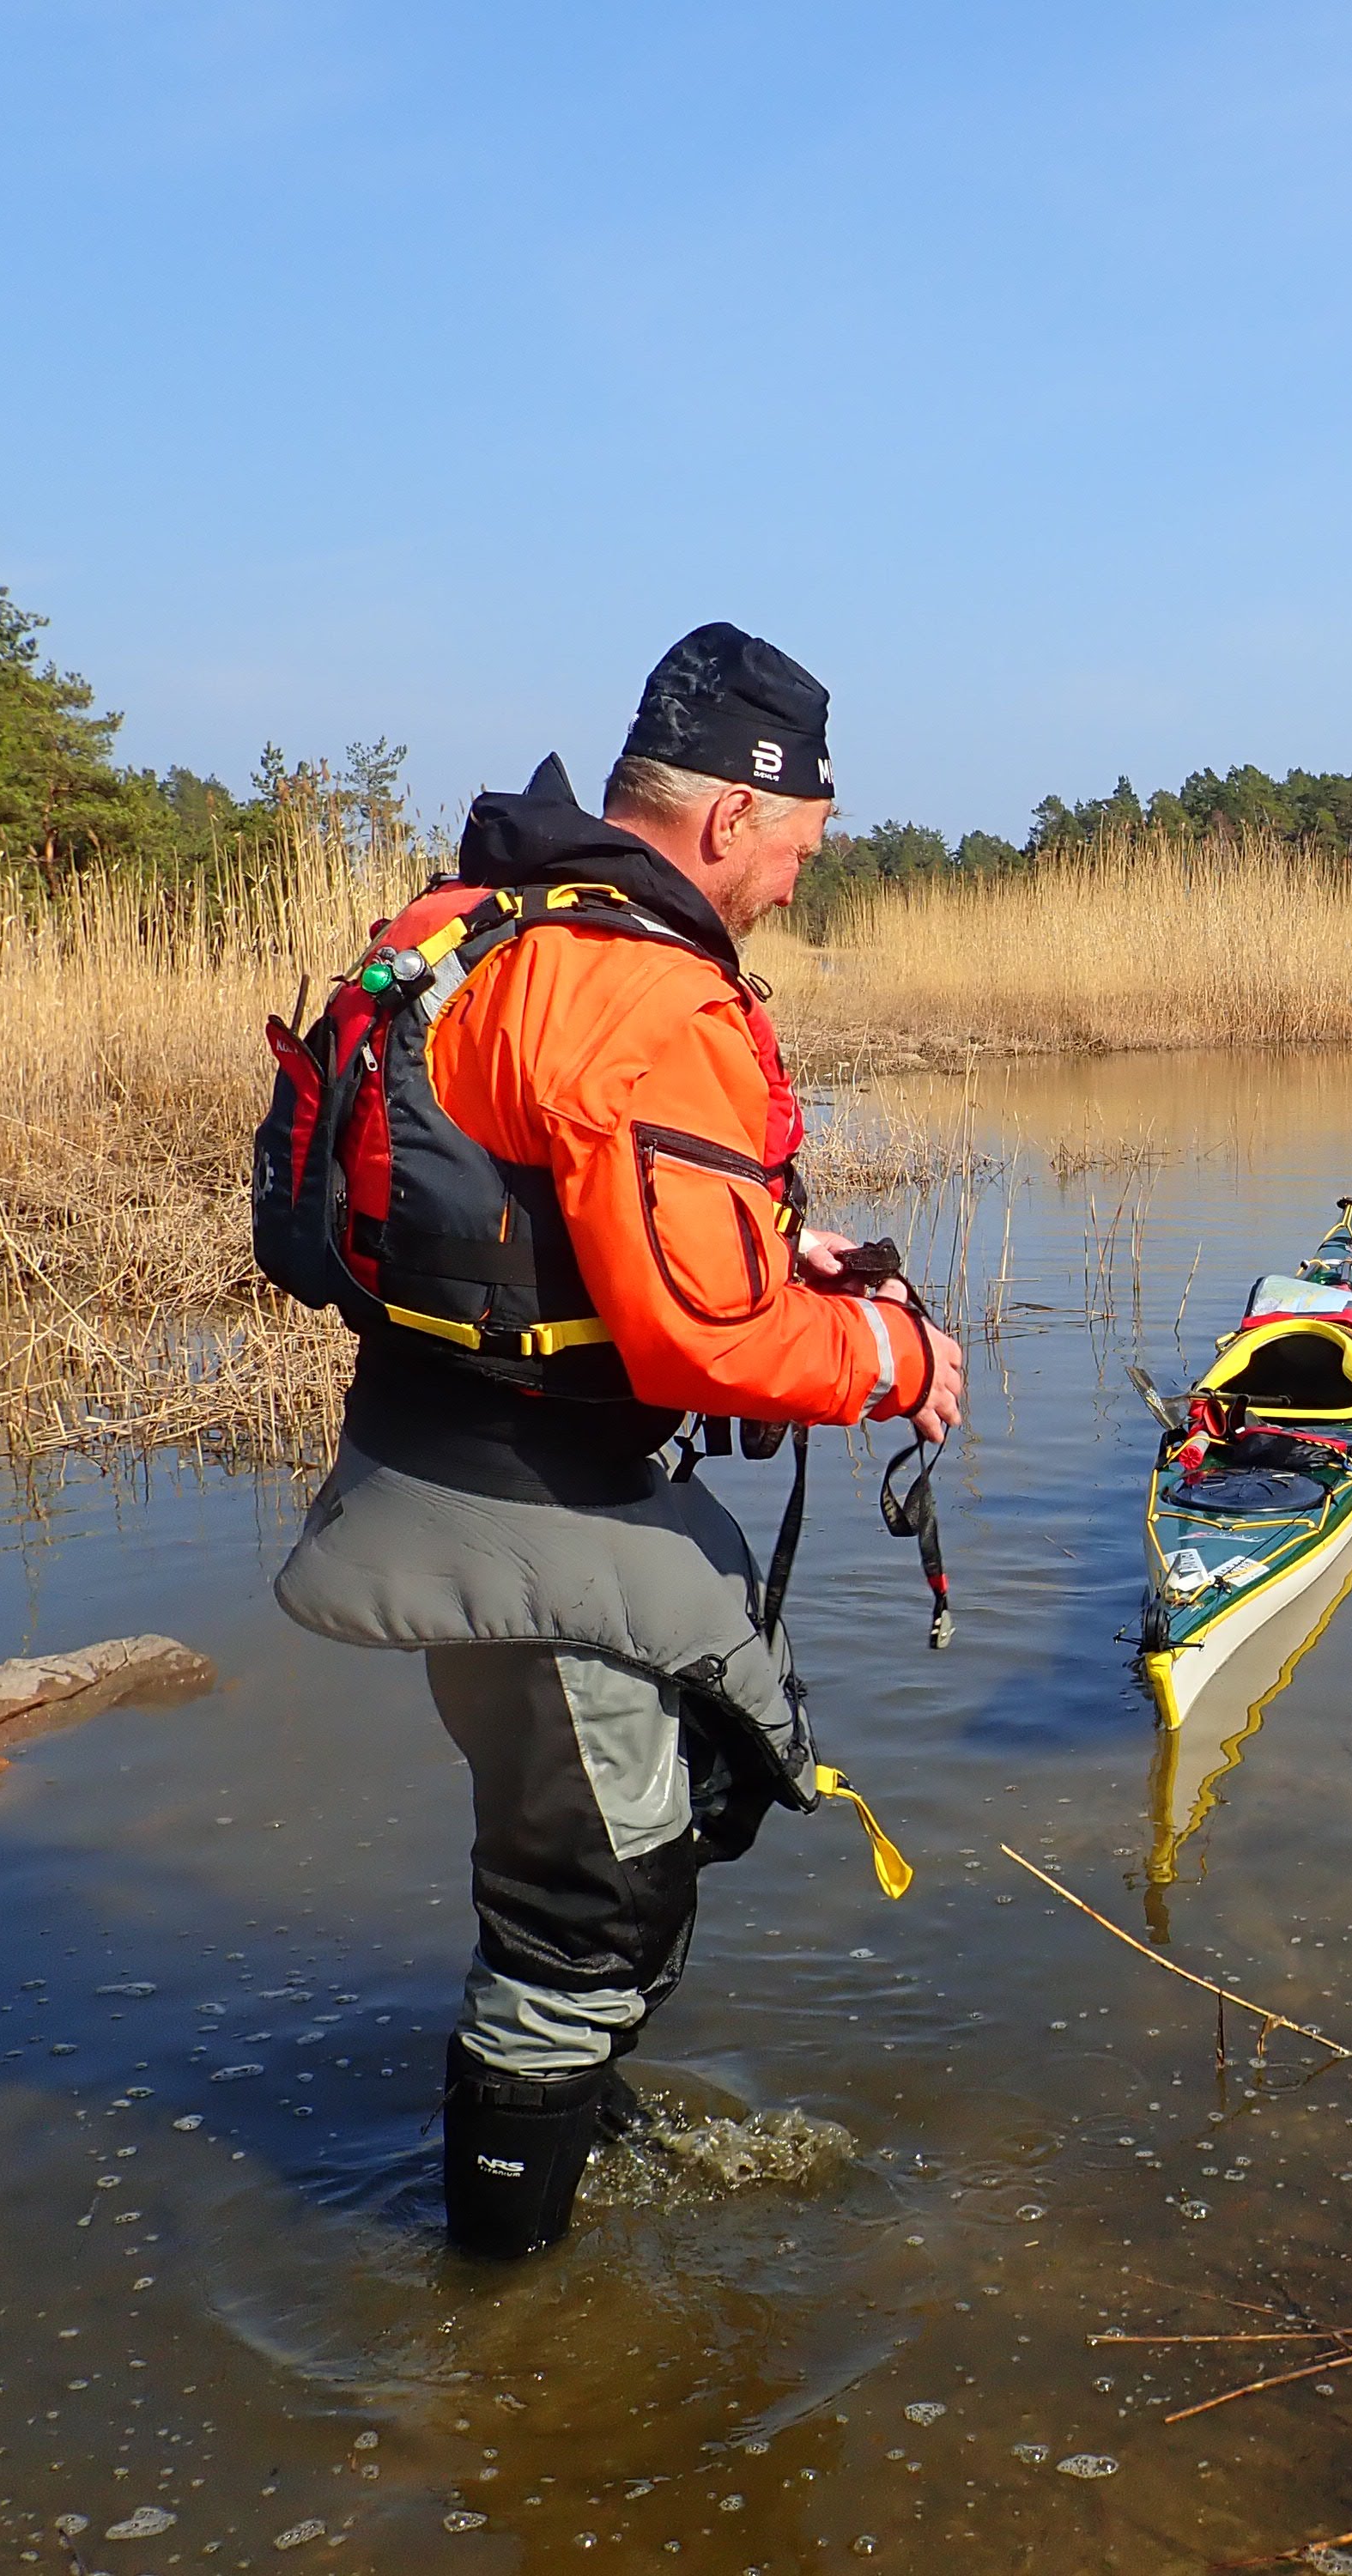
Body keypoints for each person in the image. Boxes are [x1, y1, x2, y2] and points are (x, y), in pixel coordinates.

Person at [267, 623, 963, 2257]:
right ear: (731, 814)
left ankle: (555, 2117)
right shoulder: (646, 991)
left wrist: (781, 1249)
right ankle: (502, 2312)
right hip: (530, 1526)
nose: (795, 879)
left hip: (442, 1471)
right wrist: (896, 1353)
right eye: (801, 846)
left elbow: (532, 1209)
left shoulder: (491, 926)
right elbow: (702, 1341)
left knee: (637, 1830)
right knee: (587, 1917)